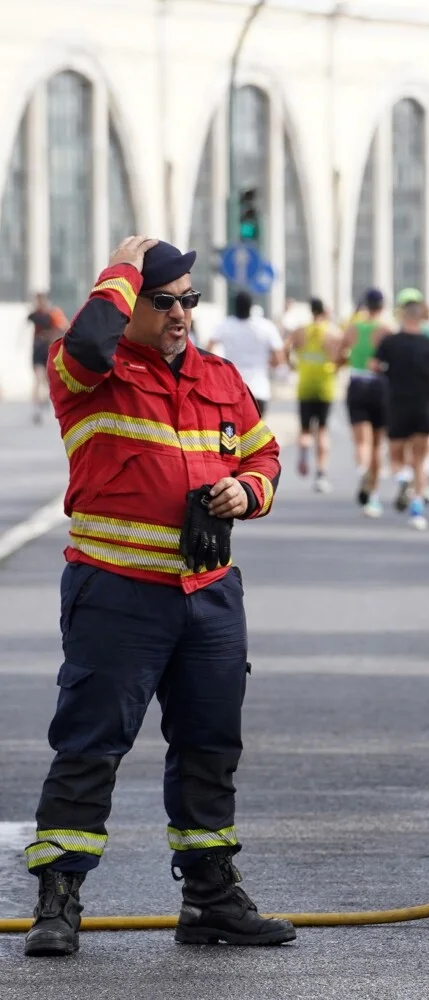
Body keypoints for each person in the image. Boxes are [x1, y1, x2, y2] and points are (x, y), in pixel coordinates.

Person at [24, 236, 292, 957]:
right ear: (128, 305)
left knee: (210, 747)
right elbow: (83, 341)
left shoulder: (220, 376)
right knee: (88, 746)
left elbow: (264, 453)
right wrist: (118, 267)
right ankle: (58, 897)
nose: (181, 314)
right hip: (116, 594)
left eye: (190, 301)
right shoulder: (89, 372)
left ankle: (209, 898)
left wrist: (248, 490)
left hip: (207, 597)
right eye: (164, 300)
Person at [375, 288, 429, 530]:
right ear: (421, 318)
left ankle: (402, 478)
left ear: (402, 317)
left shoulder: (390, 342)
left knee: (396, 454)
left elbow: (374, 365)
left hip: (396, 403)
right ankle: (417, 506)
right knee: (420, 458)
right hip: (423, 405)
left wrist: (389, 374)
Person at [341, 289, 390, 517]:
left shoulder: (352, 328)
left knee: (362, 440)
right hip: (380, 385)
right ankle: (373, 494)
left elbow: (338, 355)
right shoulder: (387, 329)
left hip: (357, 382)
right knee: (377, 444)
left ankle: (362, 469)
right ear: (382, 306)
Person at [286, 297, 339, 492]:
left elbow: (285, 348)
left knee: (305, 429)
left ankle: (303, 452)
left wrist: (293, 365)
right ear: (324, 312)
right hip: (325, 385)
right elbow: (339, 356)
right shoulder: (332, 333)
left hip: (305, 385)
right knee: (323, 430)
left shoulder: (300, 331)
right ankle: (321, 473)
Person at [206, 290, 286, 416]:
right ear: (251, 306)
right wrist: (268, 363)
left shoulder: (225, 325)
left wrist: (218, 370)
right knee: (256, 434)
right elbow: (279, 358)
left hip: (232, 388)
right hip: (259, 389)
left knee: (234, 432)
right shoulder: (265, 326)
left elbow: (208, 350)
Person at [28, 292, 67, 425]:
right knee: (39, 379)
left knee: (48, 381)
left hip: (49, 351)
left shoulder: (53, 314)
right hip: (38, 351)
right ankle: (38, 408)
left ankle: (47, 403)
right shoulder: (34, 315)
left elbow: (64, 327)